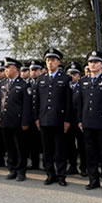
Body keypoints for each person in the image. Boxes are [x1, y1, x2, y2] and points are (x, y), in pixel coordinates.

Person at [77, 51, 102, 192]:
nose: (93, 64)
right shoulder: (83, 82)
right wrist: (80, 120)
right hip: (87, 122)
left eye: (96, 62)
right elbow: (80, 103)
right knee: (90, 152)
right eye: (90, 62)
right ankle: (93, 179)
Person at [34, 49, 71, 186]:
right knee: (47, 150)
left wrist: (67, 120)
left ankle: (61, 175)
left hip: (59, 120)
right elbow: (37, 101)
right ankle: (50, 174)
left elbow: (68, 102)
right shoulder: (40, 79)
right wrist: (37, 118)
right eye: (48, 60)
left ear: (59, 62)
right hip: (44, 119)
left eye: (53, 60)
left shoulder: (65, 79)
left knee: (60, 150)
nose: (50, 63)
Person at [0, 57, 33, 182]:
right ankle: (12, 169)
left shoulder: (24, 85)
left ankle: (21, 171)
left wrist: (25, 122)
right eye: (5, 68)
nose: (6, 70)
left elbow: (27, 106)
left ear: (16, 69)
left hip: (18, 122)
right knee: (9, 147)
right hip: (5, 120)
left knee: (20, 148)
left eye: (8, 67)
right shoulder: (3, 84)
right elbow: (0, 102)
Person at [65, 61, 86, 176]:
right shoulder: (65, 87)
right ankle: (72, 166)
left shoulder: (83, 86)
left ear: (79, 76)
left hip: (80, 121)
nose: (72, 76)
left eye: (74, 74)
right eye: (69, 74)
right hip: (68, 120)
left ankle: (84, 167)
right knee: (69, 145)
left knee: (82, 145)